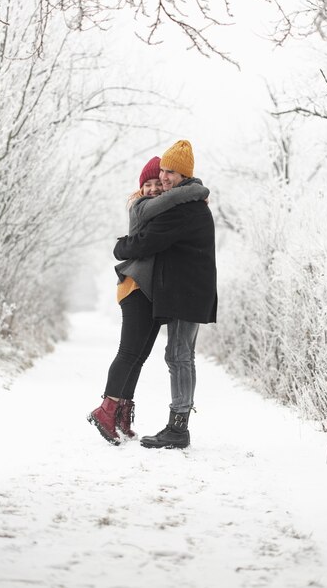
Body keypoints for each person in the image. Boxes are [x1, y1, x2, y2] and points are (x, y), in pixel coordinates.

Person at [88, 155, 209, 445]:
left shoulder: (164, 209)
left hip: (152, 292)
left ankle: (121, 413)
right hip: (136, 287)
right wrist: (194, 193)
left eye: (159, 183)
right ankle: (107, 409)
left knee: (138, 357)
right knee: (129, 353)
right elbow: (152, 232)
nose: (155, 188)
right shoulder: (143, 207)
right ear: (140, 188)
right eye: (149, 184)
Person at [114, 140, 217, 449]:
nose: (165, 178)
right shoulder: (184, 203)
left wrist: (120, 248)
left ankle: (178, 427)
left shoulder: (185, 209)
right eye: (163, 171)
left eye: (171, 172)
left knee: (179, 355)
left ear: (184, 174)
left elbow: (147, 242)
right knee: (177, 355)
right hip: (185, 290)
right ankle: (177, 425)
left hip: (189, 292)